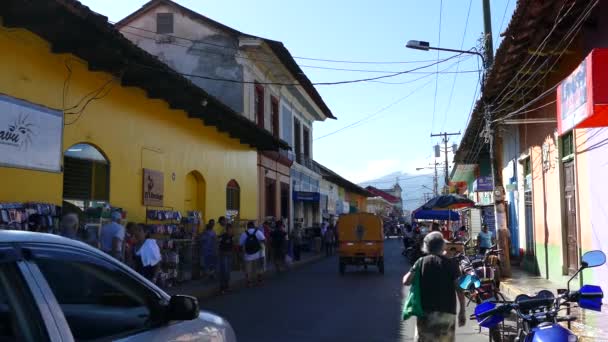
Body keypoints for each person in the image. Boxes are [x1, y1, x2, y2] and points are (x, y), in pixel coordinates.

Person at [403, 232, 466, 342]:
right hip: (446, 314)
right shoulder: (452, 264)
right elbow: (459, 289)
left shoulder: (420, 262)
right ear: (443, 246)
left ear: (426, 246)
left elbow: (406, 281)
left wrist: (415, 269)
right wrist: (462, 311)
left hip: (425, 314)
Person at [239, 221, 266, 287]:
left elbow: (240, 244)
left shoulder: (244, 234)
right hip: (258, 253)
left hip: (248, 254)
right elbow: (264, 240)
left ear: (247, 226)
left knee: (248, 269)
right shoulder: (258, 232)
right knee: (258, 268)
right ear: (253, 226)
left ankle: (249, 282)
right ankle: (259, 281)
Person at [218, 223, 235, 293]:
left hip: (229, 255)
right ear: (227, 230)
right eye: (230, 229)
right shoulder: (223, 236)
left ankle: (226, 286)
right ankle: (223, 287)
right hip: (224, 255)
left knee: (227, 271)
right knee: (224, 271)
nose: (231, 231)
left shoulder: (231, 237)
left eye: (232, 229)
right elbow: (219, 243)